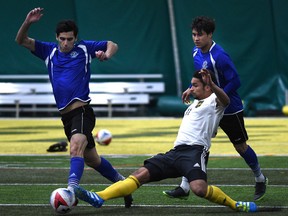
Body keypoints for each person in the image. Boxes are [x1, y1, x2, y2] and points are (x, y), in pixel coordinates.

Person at [73, 69, 258, 212]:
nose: (191, 88)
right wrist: (192, 90)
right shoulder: (196, 103)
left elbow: (225, 100)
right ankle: (98, 197)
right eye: (190, 85)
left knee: (200, 189)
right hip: (175, 152)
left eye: (194, 85)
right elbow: (198, 95)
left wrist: (212, 85)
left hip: (194, 152)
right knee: (140, 174)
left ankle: (236, 205)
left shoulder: (214, 102)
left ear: (208, 87)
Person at [15, 7, 133, 208]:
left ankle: (70, 191)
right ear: (57, 37)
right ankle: (124, 185)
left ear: (75, 38)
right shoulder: (48, 51)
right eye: (62, 39)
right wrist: (27, 22)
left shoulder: (85, 49)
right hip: (66, 117)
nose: (66, 43)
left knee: (75, 147)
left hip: (82, 111)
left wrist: (107, 55)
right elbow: (21, 40)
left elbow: (112, 44)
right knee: (93, 160)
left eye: (70, 39)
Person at [163, 16, 267, 201]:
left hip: (229, 108)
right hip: (207, 108)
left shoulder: (219, 56)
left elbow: (236, 81)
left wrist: (220, 99)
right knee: (196, 143)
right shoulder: (196, 52)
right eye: (194, 34)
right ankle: (185, 186)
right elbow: (200, 78)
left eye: (200, 35)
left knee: (240, 146)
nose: (196, 38)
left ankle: (260, 178)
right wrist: (191, 87)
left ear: (210, 34)